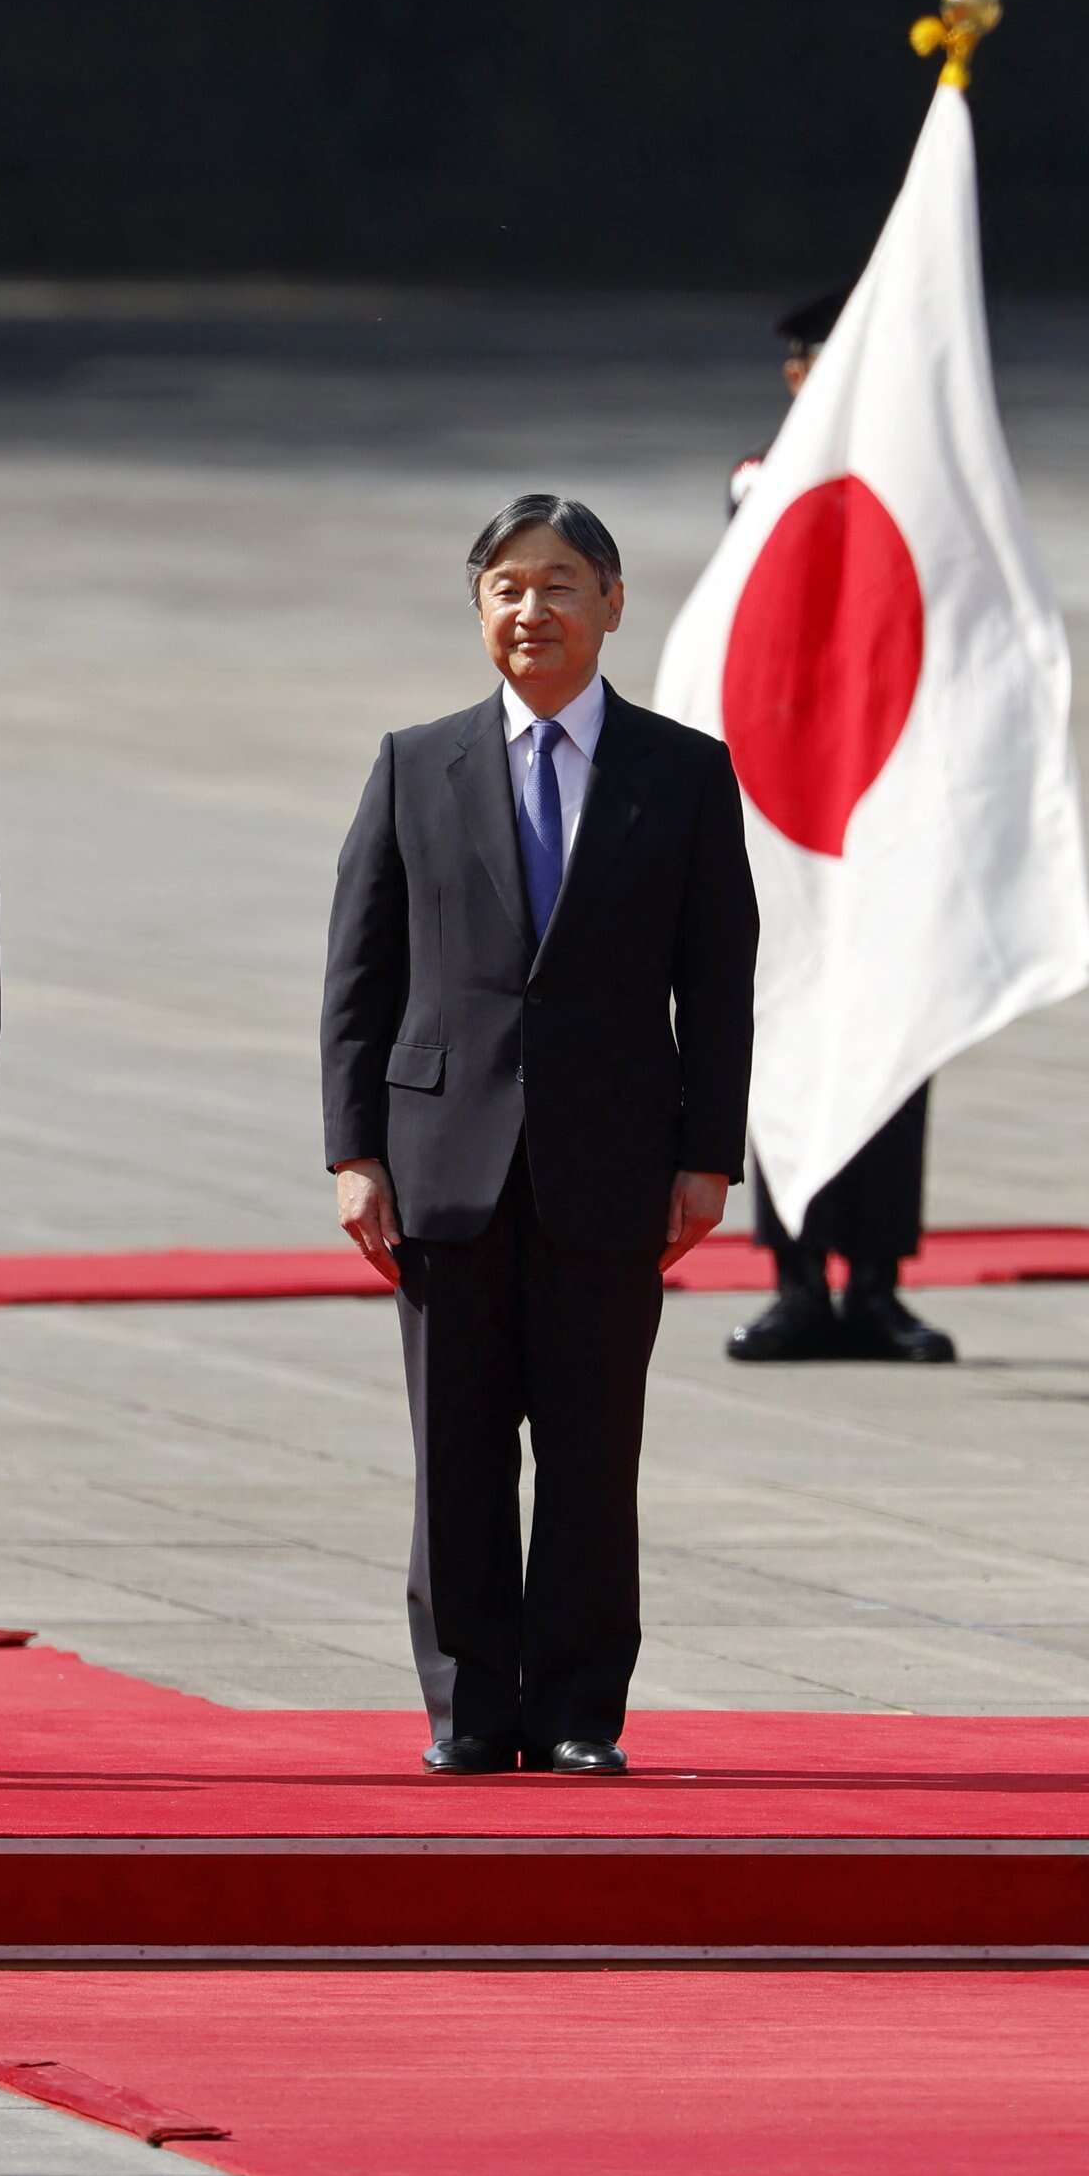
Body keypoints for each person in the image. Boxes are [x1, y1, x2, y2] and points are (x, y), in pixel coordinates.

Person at [323, 495, 757, 1774]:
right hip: (442, 1167)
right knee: (454, 1452)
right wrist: (354, 1152)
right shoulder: (416, 763)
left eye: (562, 585)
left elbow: (718, 977)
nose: (534, 612)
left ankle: (576, 1709)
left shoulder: (681, 773)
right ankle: (467, 1709)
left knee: (586, 1452)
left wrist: (706, 1154)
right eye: (508, 588)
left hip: (612, 1167)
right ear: (478, 610)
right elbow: (360, 972)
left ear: (613, 602)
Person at [724, 287, 954, 1364]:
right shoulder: (762, 481)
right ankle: (795, 1277)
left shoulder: (928, 485)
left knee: (895, 1048)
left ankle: (875, 1280)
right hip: (794, 814)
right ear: (799, 377)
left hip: (895, 804)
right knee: (793, 1041)